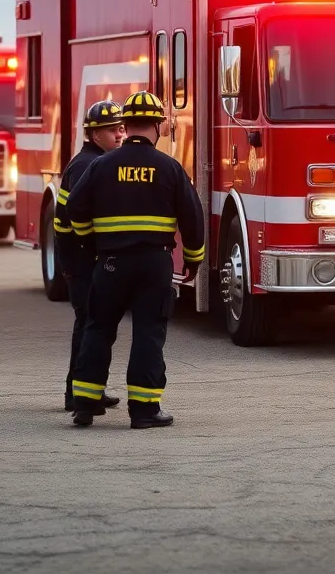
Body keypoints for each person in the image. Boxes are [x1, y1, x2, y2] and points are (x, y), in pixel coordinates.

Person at [65, 90, 205, 429]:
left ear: (125, 126)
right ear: (158, 126)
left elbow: (74, 208)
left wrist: (89, 241)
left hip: (110, 262)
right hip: (153, 264)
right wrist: (193, 259)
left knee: (98, 328)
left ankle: (85, 404)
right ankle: (144, 410)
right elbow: (193, 218)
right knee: (148, 331)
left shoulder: (101, 165)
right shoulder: (170, 167)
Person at [53, 100, 126, 412]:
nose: (120, 135)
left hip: (82, 258)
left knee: (94, 325)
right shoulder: (87, 165)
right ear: (95, 135)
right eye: (112, 130)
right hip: (82, 260)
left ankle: (91, 388)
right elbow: (78, 217)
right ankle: (76, 392)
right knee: (88, 325)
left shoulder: (94, 160)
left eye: (121, 129)